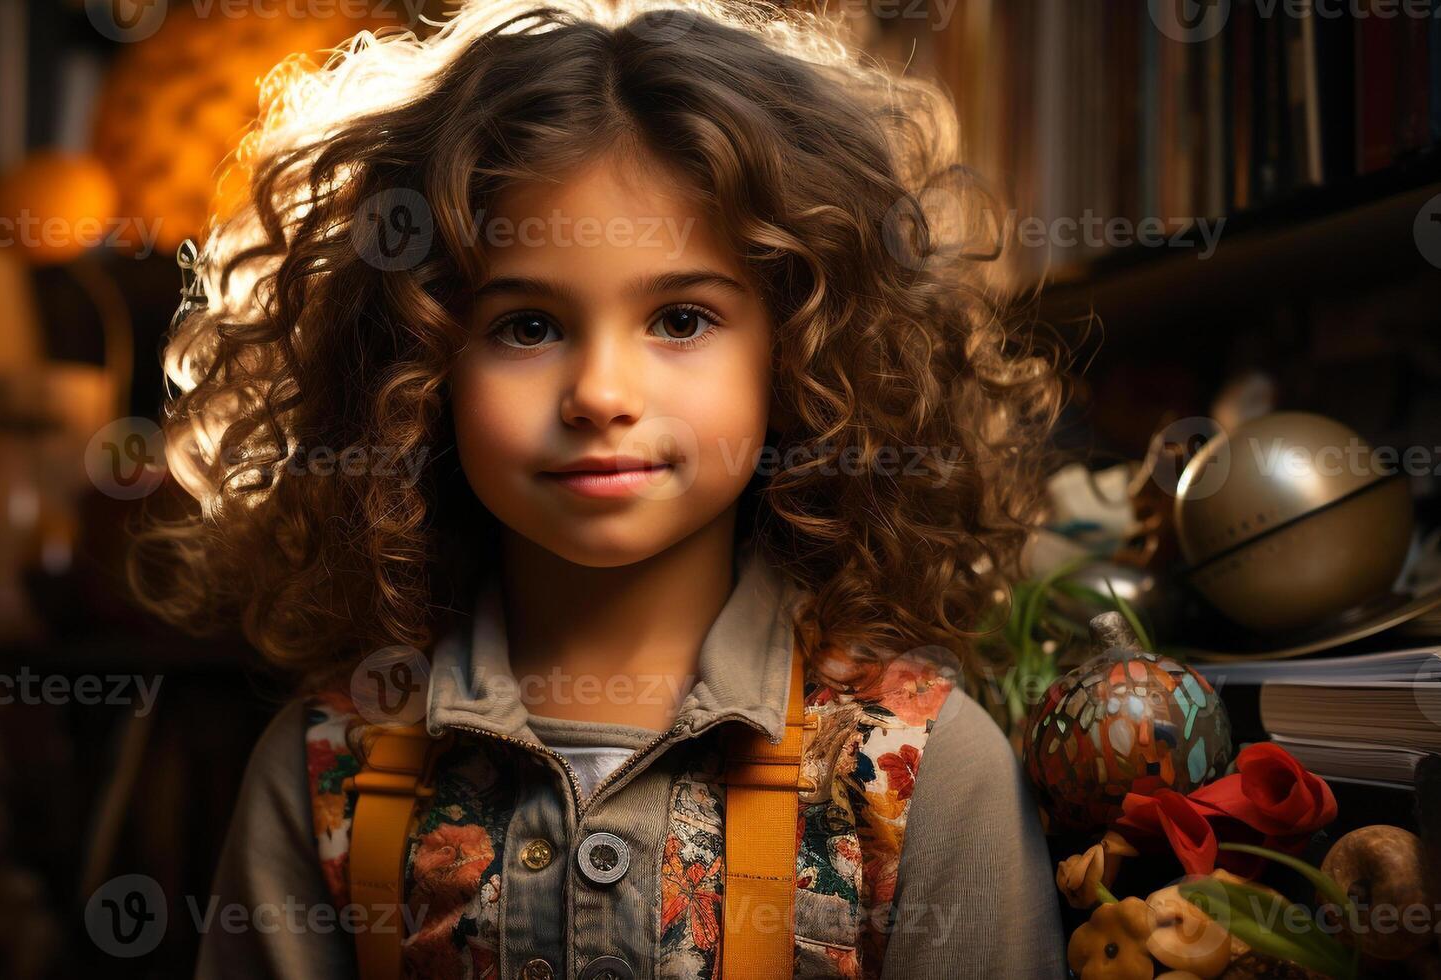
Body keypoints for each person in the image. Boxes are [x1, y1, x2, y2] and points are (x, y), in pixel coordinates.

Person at [136, 0, 1069, 975]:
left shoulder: (926, 775)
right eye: (527, 327)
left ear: (799, 351)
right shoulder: (326, 767)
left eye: (679, 317)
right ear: (415, 368)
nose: (599, 394)